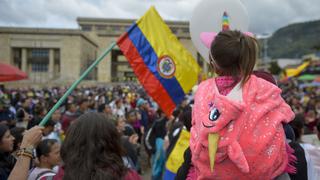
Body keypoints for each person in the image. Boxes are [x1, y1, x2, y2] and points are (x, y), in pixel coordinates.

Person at [190, 30, 295, 179]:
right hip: (263, 172)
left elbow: (196, 126)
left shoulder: (203, 90)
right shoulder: (265, 88)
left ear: (214, 64)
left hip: (211, 172)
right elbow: (287, 116)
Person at [61, 112, 140, 180]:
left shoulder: (60, 175)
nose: (123, 123)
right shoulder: (127, 176)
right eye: (121, 122)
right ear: (112, 141)